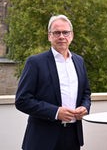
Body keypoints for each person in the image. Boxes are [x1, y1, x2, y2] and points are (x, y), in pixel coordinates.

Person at [15, 14, 91, 150]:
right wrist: (55, 112)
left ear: (72, 35)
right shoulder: (35, 62)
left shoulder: (79, 61)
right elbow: (22, 100)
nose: (62, 36)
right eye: (57, 33)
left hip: (73, 136)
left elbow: (86, 93)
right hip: (42, 139)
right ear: (49, 36)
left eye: (65, 32)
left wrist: (85, 107)